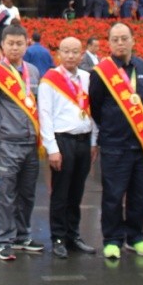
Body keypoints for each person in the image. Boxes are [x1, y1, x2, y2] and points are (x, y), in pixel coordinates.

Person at [87, 22, 143, 260]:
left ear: (133, 40)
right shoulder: (101, 73)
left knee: (141, 194)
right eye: (115, 39)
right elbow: (95, 107)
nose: (120, 43)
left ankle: (136, 237)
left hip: (141, 145)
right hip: (114, 144)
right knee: (113, 195)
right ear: (108, 43)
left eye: (124, 38)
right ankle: (112, 240)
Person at [0, 24, 43, 261]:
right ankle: (3, 239)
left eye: (19, 43)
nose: (15, 48)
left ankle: (22, 235)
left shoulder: (33, 72)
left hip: (30, 142)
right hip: (8, 142)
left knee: (27, 193)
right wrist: (2, 128)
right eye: (11, 44)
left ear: (27, 44)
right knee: (5, 194)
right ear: (3, 46)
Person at [39, 37, 97, 259]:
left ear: (82, 55)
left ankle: (74, 235)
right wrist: (52, 149)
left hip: (84, 140)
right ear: (58, 54)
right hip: (62, 142)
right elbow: (45, 116)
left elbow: (93, 112)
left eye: (75, 52)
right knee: (60, 192)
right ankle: (58, 238)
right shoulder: (50, 80)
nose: (71, 56)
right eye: (66, 51)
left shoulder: (87, 78)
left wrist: (94, 142)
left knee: (77, 191)